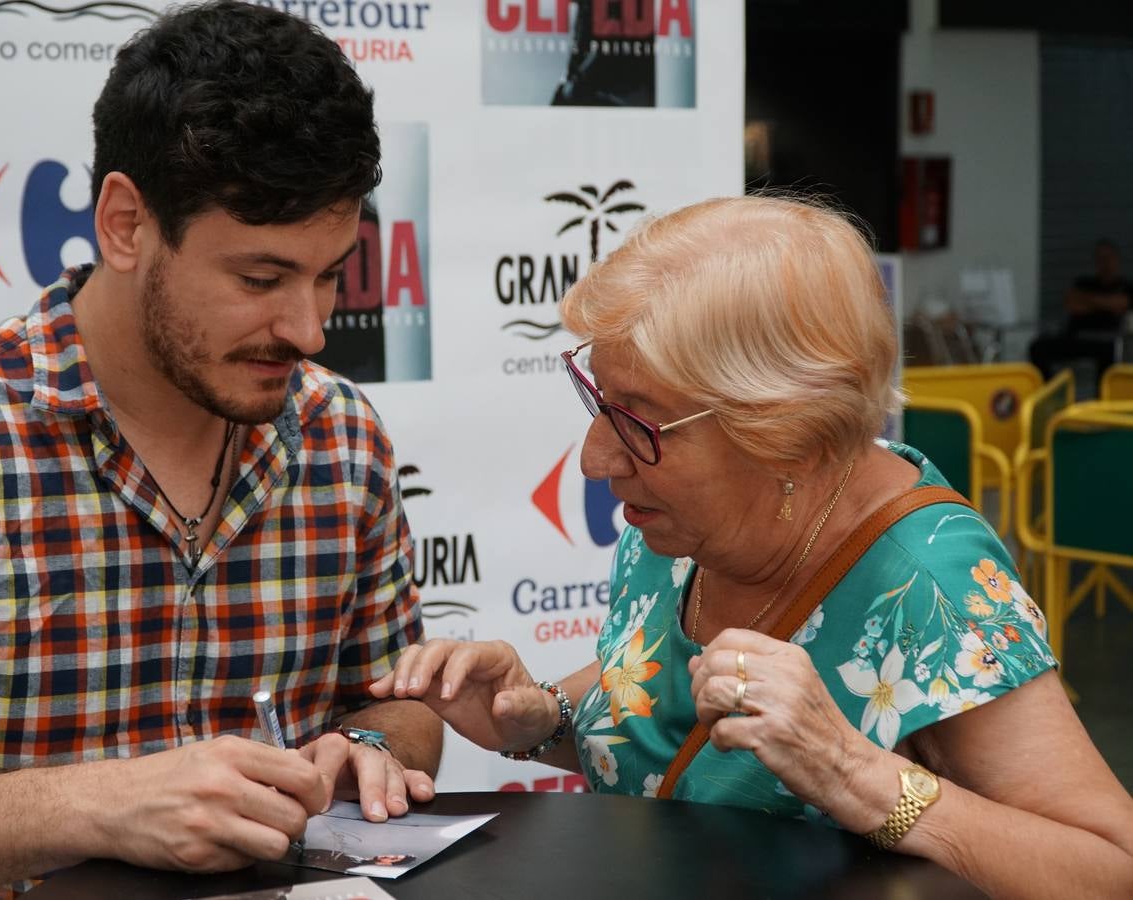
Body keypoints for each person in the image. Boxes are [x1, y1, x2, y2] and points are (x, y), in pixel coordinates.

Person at [0, 3, 441, 897]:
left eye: (330, 275)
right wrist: (91, 807)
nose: (311, 330)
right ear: (126, 223)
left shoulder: (341, 435)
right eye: (260, 278)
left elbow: (397, 703)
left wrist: (366, 748)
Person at [375, 197, 1133, 898]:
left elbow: (1110, 868)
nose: (595, 459)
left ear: (785, 432)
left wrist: (857, 778)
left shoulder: (930, 583)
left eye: (637, 420)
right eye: (598, 401)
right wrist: (537, 718)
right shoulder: (676, 521)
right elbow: (667, 715)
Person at [1029, 238, 1132, 381]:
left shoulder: (1125, 286)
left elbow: (1121, 304)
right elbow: (1072, 304)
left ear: (1117, 259)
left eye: (1108, 257)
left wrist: (1088, 301)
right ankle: (1050, 392)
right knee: (1038, 347)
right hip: (1077, 338)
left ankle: (1102, 398)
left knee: (1110, 357)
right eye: (1100, 258)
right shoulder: (1083, 282)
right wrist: (1106, 302)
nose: (1104, 262)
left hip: (1106, 340)